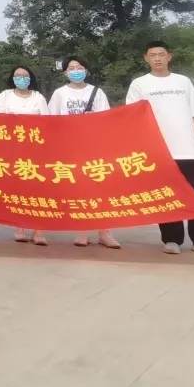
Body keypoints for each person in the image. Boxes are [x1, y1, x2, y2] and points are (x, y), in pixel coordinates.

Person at [125, 40, 194, 255]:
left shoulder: (183, 81)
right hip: (159, 150)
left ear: (169, 56)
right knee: (167, 196)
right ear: (146, 59)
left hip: (188, 148)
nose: (157, 58)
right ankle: (172, 240)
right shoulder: (139, 84)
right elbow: (132, 117)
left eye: (161, 54)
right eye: (152, 55)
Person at [48, 56, 120, 250]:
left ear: (86, 71)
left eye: (79, 67)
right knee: (79, 189)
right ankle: (82, 230)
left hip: (94, 147)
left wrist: (94, 120)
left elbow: (107, 119)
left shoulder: (97, 92)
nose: (76, 71)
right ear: (65, 73)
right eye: (71, 68)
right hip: (70, 148)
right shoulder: (60, 94)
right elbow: (51, 121)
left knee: (100, 189)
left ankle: (105, 232)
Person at [0, 66, 50, 246]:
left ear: (30, 78)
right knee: (18, 188)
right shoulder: (4, 96)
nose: (21, 78)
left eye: (25, 76)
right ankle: (20, 227)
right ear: (12, 78)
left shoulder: (38, 97)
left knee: (38, 188)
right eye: (17, 76)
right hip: (12, 149)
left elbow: (47, 122)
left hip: (35, 149)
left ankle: (39, 229)